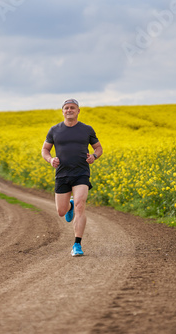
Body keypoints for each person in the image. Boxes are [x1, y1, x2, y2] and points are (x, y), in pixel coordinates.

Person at [41, 98, 103, 257]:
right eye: (67, 108)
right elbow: (45, 150)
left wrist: (94, 157)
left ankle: (77, 244)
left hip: (81, 173)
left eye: (72, 108)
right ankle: (69, 206)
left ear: (78, 111)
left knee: (81, 205)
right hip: (62, 174)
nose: (69, 110)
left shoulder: (86, 129)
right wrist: (50, 160)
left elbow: (98, 148)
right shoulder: (54, 130)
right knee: (61, 212)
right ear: (62, 111)